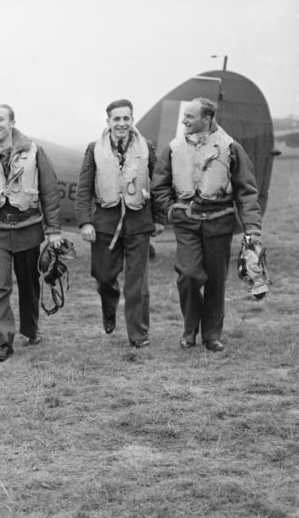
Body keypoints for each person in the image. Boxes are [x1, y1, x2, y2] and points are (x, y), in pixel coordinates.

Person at [151, 98, 263, 352]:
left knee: (215, 281)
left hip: (219, 223)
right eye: (185, 116)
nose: (184, 120)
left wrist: (252, 228)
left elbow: (247, 190)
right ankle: (189, 329)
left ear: (207, 119)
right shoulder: (174, 148)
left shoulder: (230, 147)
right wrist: (170, 209)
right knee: (189, 276)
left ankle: (211, 334)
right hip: (186, 222)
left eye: (190, 116)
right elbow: (159, 185)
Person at [0, 104, 63, 362]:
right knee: (0, 286)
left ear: (12, 122)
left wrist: (53, 230)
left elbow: (50, 192)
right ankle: (4, 342)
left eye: (0, 119)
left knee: (30, 285)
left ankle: (31, 329)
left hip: (28, 229)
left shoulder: (34, 151)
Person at [75, 99, 165, 348]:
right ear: (108, 122)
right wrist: (85, 222)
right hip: (105, 222)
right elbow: (83, 189)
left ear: (132, 120)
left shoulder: (146, 147)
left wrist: (159, 219)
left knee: (137, 285)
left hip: (139, 223)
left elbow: (157, 186)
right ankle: (109, 308)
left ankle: (138, 334)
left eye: (126, 118)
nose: (122, 123)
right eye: (117, 119)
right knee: (104, 278)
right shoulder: (94, 148)